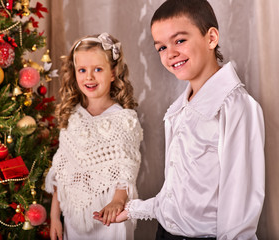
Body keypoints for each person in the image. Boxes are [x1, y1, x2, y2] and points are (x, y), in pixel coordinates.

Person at [93, 1, 265, 239]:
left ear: (211, 37)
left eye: (180, 40)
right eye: (161, 47)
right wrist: (132, 209)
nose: (170, 53)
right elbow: (179, 197)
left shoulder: (236, 108)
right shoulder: (179, 110)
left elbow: (239, 210)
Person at [45, 32, 143, 240]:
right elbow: (62, 172)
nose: (89, 77)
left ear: (113, 73)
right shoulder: (72, 117)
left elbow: (127, 169)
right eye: (82, 70)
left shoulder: (123, 119)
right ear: (75, 73)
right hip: (74, 214)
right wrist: (55, 217)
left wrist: (118, 201)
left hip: (108, 215)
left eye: (98, 69)